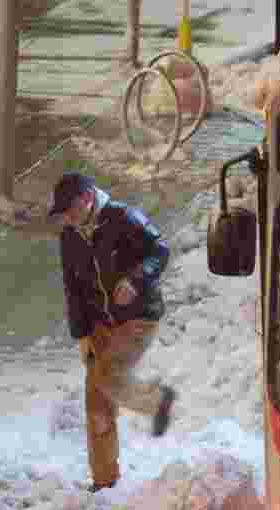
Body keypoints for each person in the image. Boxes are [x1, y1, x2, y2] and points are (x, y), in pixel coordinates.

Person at [48, 172, 177, 492]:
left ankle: (157, 400)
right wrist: (81, 334)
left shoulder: (124, 218)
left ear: (88, 197)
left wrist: (135, 280)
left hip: (138, 317)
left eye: (70, 208)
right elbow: (73, 288)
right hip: (99, 325)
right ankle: (104, 481)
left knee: (107, 376)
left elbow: (160, 250)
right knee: (96, 402)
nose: (67, 216)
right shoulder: (70, 236)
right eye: (62, 212)